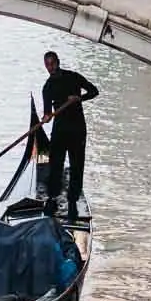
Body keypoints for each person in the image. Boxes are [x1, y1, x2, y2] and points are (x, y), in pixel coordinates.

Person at [41, 51, 100, 220]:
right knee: (55, 165)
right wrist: (45, 117)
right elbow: (47, 112)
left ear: (58, 62)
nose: (50, 67)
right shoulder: (47, 87)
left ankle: (73, 200)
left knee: (77, 166)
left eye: (52, 63)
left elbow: (94, 91)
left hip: (77, 129)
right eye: (47, 65)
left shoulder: (73, 77)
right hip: (59, 130)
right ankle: (52, 198)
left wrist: (79, 98)